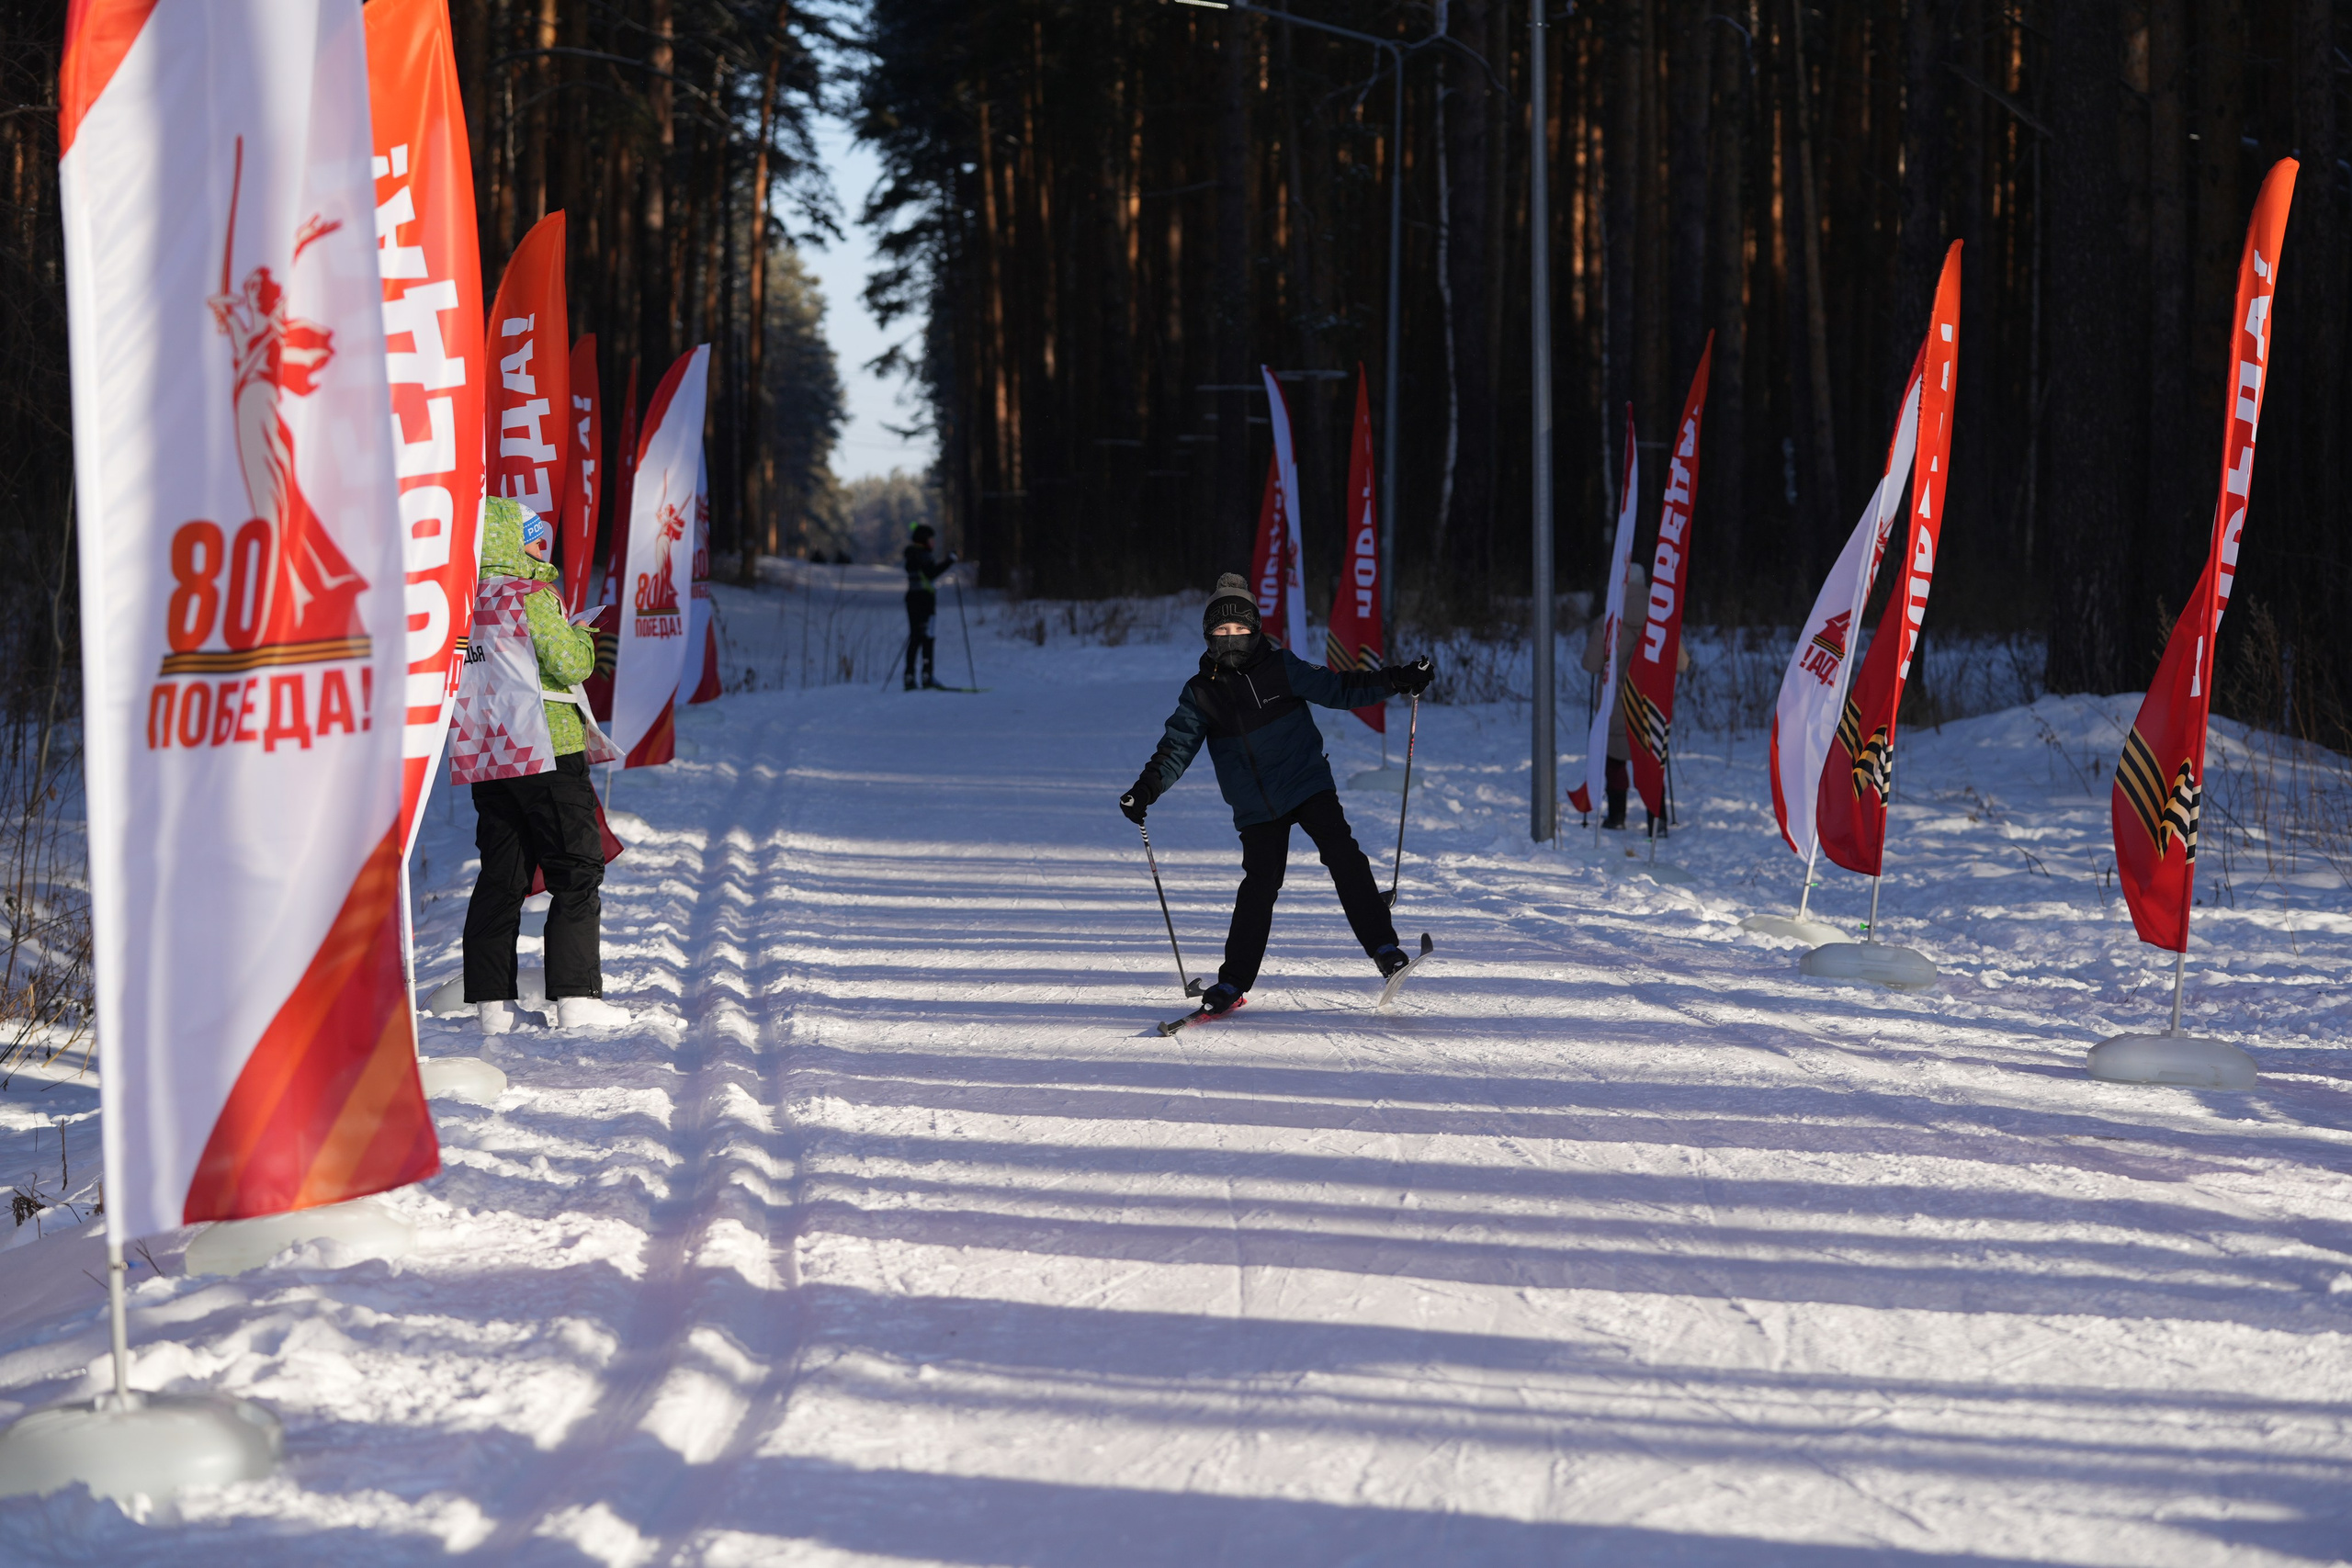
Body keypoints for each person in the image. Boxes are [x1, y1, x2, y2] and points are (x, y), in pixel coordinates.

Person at [1120, 573, 1435, 1018]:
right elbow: (1176, 748)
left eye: (1240, 629)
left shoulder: (1281, 667)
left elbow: (1340, 689)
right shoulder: (1201, 693)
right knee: (1260, 885)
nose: (1231, 638)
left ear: (1255, 629)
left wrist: (1399, 680)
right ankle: (1232, 982)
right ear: (1209, 634)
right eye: (1221, 630)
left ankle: (1385, 950)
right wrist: (1145, 790)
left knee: (1342, 853)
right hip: (1255, 805)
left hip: (1305, 781)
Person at [452, 498, 628, 1035]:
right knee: (577, 867)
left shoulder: (466, 600)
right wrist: (581, 634)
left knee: (501, 877)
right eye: (533, 537)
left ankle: (493, 1007)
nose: (539, 547)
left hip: (486, 753)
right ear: (512, 542)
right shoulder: (531, 595)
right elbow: (569, 663)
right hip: (546, 747)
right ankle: (577, 998)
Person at [1579, 560, 1690, 833]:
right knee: (1651, 757)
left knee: (1615, 758)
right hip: (1648, 700)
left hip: (1615, 701)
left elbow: (1590, 665)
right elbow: (1681, 664)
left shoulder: (1608, 618)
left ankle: (1616, 816)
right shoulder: (1661, 617)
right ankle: (1658, 818)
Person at [902, 523, 958, 690]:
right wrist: (950, 561)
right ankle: (927, 675)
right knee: (927, 638)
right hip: (925, 602)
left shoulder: (912, 555)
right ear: (924, 540)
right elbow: (932, 573)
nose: (933, 542)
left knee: (915, 638)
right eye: (931, 539)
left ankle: (909, 676)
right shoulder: (923, 556)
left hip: (912, 600)